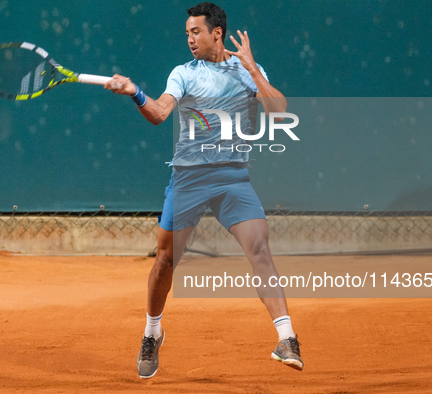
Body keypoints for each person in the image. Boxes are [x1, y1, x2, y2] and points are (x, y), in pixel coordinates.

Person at [104, 2, 303, 378]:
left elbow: (279, 112)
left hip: (232, 178)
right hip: (190, 179)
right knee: (165, 261)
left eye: (196, 32)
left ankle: (287, 337)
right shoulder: (184, 73)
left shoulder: (247, 70)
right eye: (187, 34)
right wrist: (135, 92)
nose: (190, 39)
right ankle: (152, 332)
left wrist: (252, 72)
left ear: (217, 32)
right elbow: (160, 113)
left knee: (260, 247)